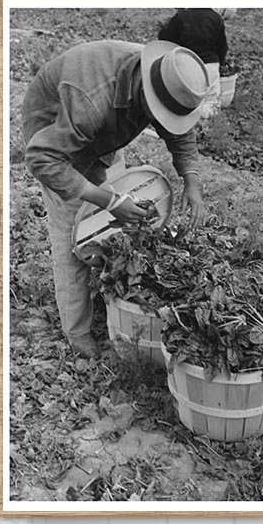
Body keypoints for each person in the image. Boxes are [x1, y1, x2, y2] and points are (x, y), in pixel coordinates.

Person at [22, 39, 212, 359]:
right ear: (146, 94)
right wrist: (108, 201)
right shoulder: (91, 98)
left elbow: (179, 130)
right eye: (160, 115)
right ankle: (78, 332)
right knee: (75, 239)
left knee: (114, 227)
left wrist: (191, 181)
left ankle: (106, 295)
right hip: (54, 140)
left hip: (101, 131)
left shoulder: (167, 76)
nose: (163, 122)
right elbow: (43, 159)